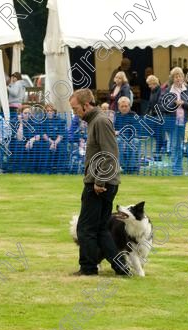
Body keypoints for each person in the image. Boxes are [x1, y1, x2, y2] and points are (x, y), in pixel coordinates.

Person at [69, 88, 125, 276]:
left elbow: (110, 154)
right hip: (104, 182)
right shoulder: (95, 120)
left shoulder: (100, 121)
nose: (74, 112)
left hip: (100, 184)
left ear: (86, 105)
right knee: (101, 229)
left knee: (85, 228)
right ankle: (121, 267)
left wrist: (99, 181)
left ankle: (88, 268)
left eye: (75, 108)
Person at [159, 67, 188, 176]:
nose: (178, 78)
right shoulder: (167, 91)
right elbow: (161, 106)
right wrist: (173, 104)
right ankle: (177, 171)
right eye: (175, 76)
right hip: (173, 124)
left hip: (187, 123)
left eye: (180, 76)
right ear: (172, 78)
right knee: (175, 147)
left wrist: (183, 104)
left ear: (183, 77)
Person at [114, 96, 140, 174]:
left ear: (129, 106)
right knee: (118, 141)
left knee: (135, 141)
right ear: (118, 107)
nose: (124, 108)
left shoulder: (134, 115)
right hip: (120, 138)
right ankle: (121, 166)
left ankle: (132, 167)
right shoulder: (116, 116)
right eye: (122, 106)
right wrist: (115, 132)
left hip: (131, 137)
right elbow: (112, 129)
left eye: (126, 106)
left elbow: (137, 129)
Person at [144, 74, 166, 160]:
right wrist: (146, 113)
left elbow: (159, 103)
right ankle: (158, 150)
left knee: (159, 134)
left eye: (150, 84)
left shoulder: (160, 90)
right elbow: (150, 104)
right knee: (156, 134)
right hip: (154, 116)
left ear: (154, 83)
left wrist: (155, 113)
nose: (149, 86)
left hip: (160, 116)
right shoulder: (152, 91)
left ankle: (159, 150)